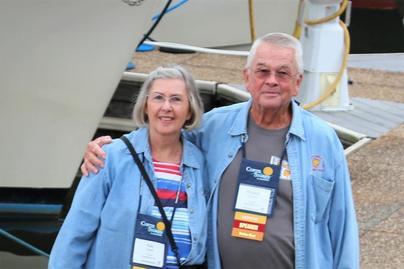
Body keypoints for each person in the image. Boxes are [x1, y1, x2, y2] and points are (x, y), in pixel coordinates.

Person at [81, 33, 359, 268]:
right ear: (247, 78)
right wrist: (111, 148)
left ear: (297, 82)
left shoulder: (323, 140)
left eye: (283, 73)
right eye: (262, 71)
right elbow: (163, 136)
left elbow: (342, 228)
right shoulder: (214, 127)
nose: (271, 80)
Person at [50, 65, 208, 269]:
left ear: (189, 110)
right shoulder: (110, 157)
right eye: (158, 97)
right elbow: (74, 234)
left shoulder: (200, 164)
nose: (166, 107)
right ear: (145, 106)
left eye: (176, 99)